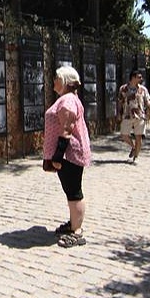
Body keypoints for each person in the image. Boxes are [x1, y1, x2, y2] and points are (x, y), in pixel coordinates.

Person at [43, 65, 92, 248]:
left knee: (74, 191)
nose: (54, 81)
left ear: (64, 80)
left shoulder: (68, 101)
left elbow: (67, 128)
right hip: (68, 154)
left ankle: (77, 231)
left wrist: (57, 155)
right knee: (70, 190)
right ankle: (73, 224)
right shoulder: (67, 99)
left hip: (69, 155)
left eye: (56, 78)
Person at [116, 69, 150, 163]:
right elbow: (120, 102)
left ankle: (136, 157)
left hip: (140, 115)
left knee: (138, 137)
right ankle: (133, 147)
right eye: (139, 77)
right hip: (127, 115)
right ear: (133, 77)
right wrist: (119, 114)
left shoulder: (143, 89)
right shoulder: (123, 89)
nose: (141, 78)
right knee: (124, 135)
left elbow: (147, 101)